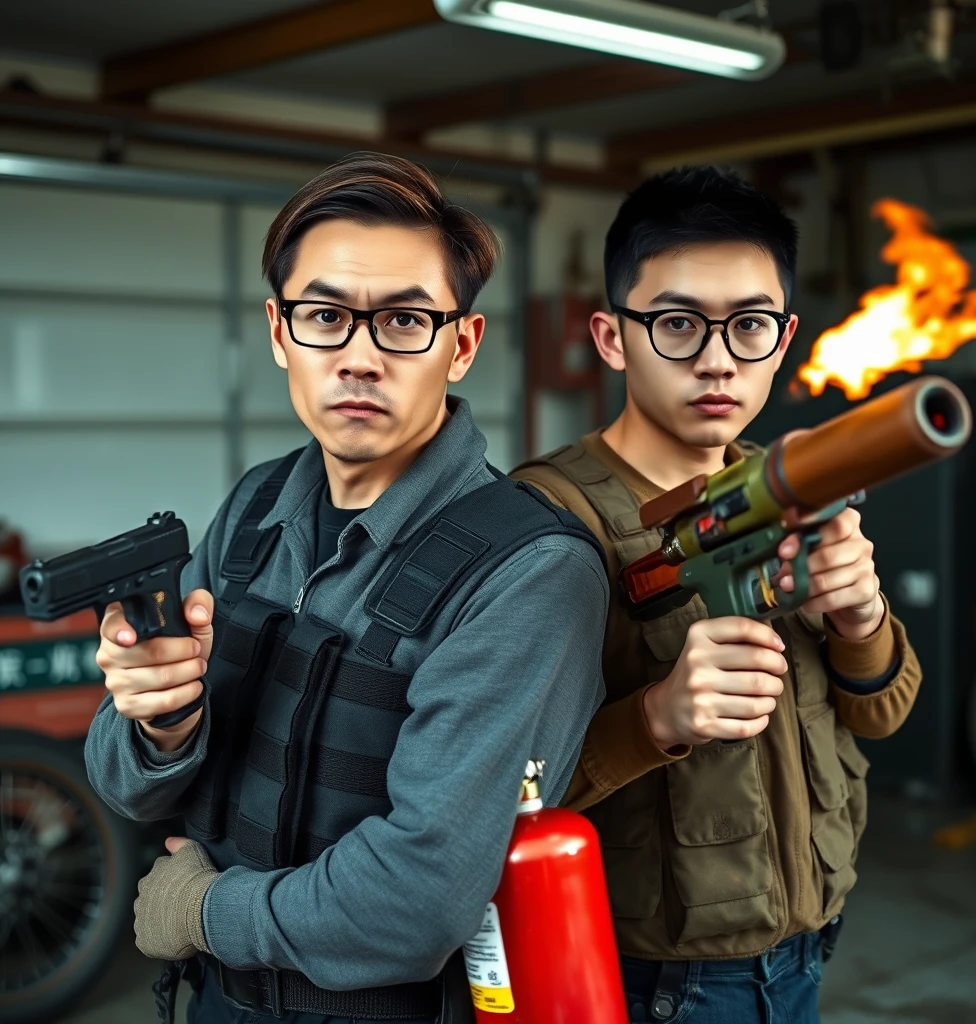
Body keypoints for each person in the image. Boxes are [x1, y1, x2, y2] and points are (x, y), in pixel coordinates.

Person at [84, 152, 609, 1024]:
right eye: (325, 315)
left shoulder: (529, 573)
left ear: (462, 345)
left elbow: (421, 897)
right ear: (282, 333)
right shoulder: (256, 507)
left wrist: (206, 913)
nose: (360, 357)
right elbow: (125, 781)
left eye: (405, 320)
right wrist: (162, 722)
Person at [512, 166, 923, 1024]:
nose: (716, 359)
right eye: (676, 324)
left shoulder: (785, 482)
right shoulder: (543, 520)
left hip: (806, 944)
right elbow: (488, 786)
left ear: (785, 337)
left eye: (750, 327)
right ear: (612, 336)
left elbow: (880, 715)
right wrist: (656, 717)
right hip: (650, 979)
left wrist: (861, 622)